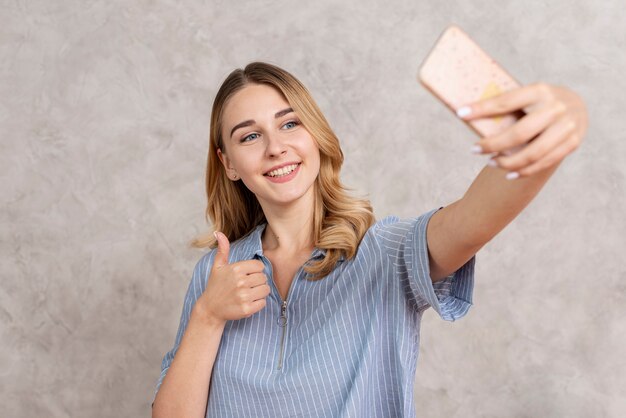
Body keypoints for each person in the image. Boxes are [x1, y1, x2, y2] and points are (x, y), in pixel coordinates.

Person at [152, 62, 588, 417]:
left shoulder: (383, 252)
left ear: (315, 137)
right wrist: (208, 315)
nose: (274, 147)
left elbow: (473, 220)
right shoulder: (216, 273)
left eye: (289, 124)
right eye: (250, 136)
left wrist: (562, 118)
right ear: (229, 164)